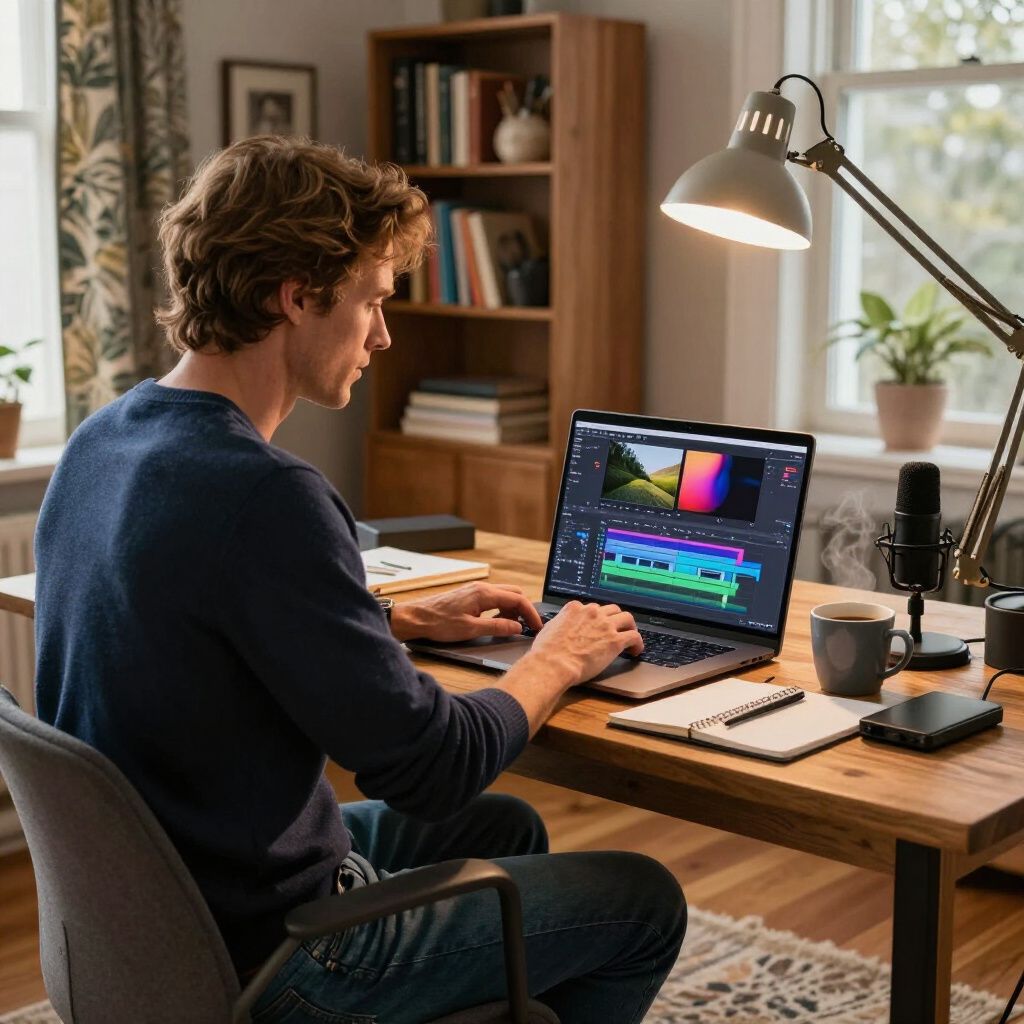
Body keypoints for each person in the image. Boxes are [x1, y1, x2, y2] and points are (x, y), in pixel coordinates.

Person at [33, 136, 686, 1023]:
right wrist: (557, 659)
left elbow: (189, 627)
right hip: (279, 949)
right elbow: (429, 768)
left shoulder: (103, 441)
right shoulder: (266, 494)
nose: (382, 335)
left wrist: (394, 623)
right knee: (642, 899)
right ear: (297, 297)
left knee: (504, 834)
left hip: (158, 911)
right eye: (373, 302)